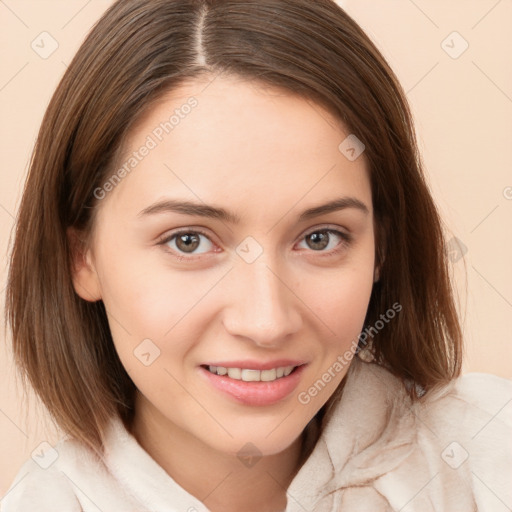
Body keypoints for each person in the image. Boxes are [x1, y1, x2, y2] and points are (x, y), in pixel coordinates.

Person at [3, 0, 511, 510]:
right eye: (189, 241)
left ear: (381, 248)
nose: (266, 322)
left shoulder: (488, 455)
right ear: (82, 258)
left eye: (320, 238)